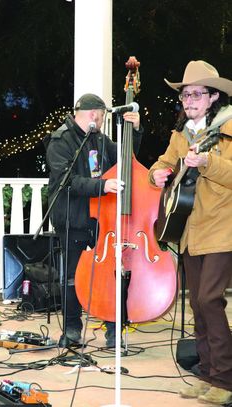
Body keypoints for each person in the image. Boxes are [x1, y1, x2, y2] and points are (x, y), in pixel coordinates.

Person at [149, 60, 232, 405]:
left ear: (213, 96)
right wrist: (157, 173)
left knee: (209, 301)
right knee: (197, 304)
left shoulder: (227, 132)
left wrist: (208, 163)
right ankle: (207, 373)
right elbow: (163, 163)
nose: (189, 99)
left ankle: (225, 381)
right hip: (188, 229)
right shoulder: (181, 136)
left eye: (197, 93)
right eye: (185, 94)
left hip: (222, 227)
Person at [43, 93, 142, 348]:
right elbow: (68, 181)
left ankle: (113, 331)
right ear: (93, 114)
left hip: (101, 219)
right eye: (100, 115)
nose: (101, 120)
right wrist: (102, 185)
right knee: (72, 276)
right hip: (72, 217)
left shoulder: (99, 137)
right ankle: (73, 329)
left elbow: (125, 159)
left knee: (110, 274)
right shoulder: (60, 140)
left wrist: (136, 132)